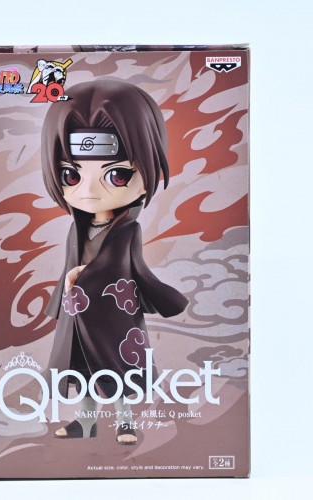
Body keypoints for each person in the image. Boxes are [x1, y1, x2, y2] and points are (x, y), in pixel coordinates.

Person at [41, 80, 188, 444]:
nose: (89, 191)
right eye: (71, 175)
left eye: (117, 175)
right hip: (79, 313)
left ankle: (125, 422)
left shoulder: (128, 230)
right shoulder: (76, 228)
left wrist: (164, 296)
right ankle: (85, 422)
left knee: (116, 371)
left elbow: (129, 268)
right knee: (85, 371)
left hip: (114, 313)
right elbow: (69, 264)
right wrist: (61, 299)